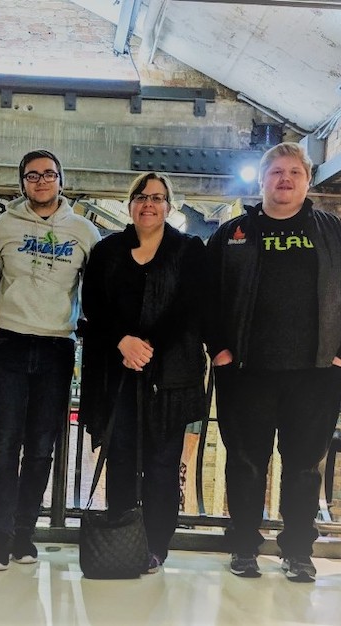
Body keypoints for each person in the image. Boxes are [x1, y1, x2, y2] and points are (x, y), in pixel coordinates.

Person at [205, 142, 341, 582]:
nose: (285, 179)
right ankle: (243, 547)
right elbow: (208, 298)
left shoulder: (334, 232)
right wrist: (219, 351)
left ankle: (298, 551)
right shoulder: (233, 233)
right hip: (245, 374)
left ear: (307, 180)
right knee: (245, 463)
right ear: (261, 180)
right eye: (276, 172)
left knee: (302, 467)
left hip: (315, 375)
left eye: (294, 172)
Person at [79, 172, 207, 573]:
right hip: (116, 373)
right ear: (130, 203)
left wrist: (146, 347)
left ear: (169, 206)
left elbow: (190, 309)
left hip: (169, 376)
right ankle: (122, 538)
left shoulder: (189, 250)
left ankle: (155, 546)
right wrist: (123, 342)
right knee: (119, 458)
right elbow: (94, 307)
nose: (148, 204)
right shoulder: (107, 250)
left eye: (157, 198)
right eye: (141, 196)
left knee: (162, 464)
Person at [0, 149, 101, 570]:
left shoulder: (85, 232)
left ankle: (23, 534)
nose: (41, 182)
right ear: (22, 184)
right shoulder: (3, 226)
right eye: (32, 176)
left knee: (40, 449)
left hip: (55, 346)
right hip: (8, 343)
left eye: (48, 174)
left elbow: (96, 291)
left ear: (61, 181)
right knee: (3, 446)